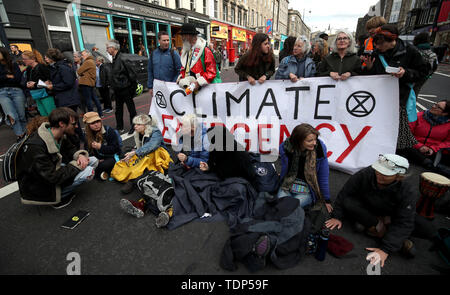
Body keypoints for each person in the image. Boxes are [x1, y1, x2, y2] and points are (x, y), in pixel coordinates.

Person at [326, 154, 436, 267]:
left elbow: (404, 220)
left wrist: (385, 249)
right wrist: (337, 216)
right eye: (378, 171)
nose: (379, 175)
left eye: (386, 174)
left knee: (427, 230)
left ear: (399, 176)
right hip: (366, 207)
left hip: (391, 215)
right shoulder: (367, 172)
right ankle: (382, 230)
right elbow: (346, 192)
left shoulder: (407, 190)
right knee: (348, 202)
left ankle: (374, 229)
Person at [361, 24, 428, 151]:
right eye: (375, 44)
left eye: (380, 44)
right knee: (378, 126)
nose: (377, 47)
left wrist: (405, 73)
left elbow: (423, 72)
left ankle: (398, 154)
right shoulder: (376, 53)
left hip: (399, 98)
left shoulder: (410, 51)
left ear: (392, 40)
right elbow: (371, 76)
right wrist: (369, 67)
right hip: (379, 97)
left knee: (399, 130)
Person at [16, 107, 98, 209]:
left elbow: (70, 149)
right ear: (61, 124)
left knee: (93, 160)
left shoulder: (57, 133)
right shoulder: (37, 146)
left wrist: (80, 155)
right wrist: (77, 166)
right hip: (39, 185)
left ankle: (65, 188)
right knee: (88, 171)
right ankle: (58, 199)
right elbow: (52, 177)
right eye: (73, 124)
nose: (77, 126)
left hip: (50, 171)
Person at [277, 123, 332, 211]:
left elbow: (323, 175)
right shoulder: (285, 147)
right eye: (310, 140)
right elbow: (285, 167)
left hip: (308, 187)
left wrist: (326, 199)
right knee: (280, 206)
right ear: (299, 141)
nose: (314, 143)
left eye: (315, 139)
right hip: (288, 184)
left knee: (290, 208)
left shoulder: (319, 149)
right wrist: (283, 176)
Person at [112, 114, 169, 194]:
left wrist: (135, 152)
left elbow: (152, 145)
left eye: (138, 124)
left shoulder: (155, 131)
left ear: (146, 125)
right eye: (135, 124)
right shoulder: (138, 133)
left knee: (147, 157)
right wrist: (134, 152)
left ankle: (132, 180)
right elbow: (141, 148)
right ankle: (130, 175)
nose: (135, 126)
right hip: (145, 153)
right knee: (127, 154)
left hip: (159, 156)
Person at [44, 48, 84, 148]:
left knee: (72, 122)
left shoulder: (62, 67)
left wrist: (53, 86)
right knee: (71, 122)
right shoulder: (56, 67)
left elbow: (69, 82)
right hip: (64, 99)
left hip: (68, 99)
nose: (45, 58)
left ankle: (79, 142)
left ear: (53, 58)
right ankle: (78, 140)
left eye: (47, 57)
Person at [407, 100, 450, 177]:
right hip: (415, 147)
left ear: (445, 113)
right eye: (435, 104)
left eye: (438, 107)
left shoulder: (448, 124)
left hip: (433, 151)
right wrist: (419, 146)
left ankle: (429, 163)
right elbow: (407, 133)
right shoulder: (419, 116)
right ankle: (429, 164)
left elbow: (448, 142)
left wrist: (433, 148)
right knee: (403, 145)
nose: (433, 106)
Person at [106, 39, 138, 135]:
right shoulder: (115, 58)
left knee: (131, 109)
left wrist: (131, 89)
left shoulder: (123, 58)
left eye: (108, 48)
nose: (107, 50)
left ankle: (134, 126)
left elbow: (132, 74)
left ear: (113, 48)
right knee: (118, 110)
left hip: (126, 89)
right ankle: (119, 126)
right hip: (118, 89)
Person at [177, 23, 218, 93]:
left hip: (204, 90)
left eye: (183, 36)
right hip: (190, 90)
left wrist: (198, 83)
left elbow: (212, 72)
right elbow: (185, 68)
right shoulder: (186, 51)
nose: (182, 38)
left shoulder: (205, 50)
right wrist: (181, 78)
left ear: (188, 36)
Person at [83, 111, 122, 180]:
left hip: (112, 156)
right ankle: (100, 173)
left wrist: (101, 147)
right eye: (93, 123)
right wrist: (97, 159)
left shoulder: (108, 131)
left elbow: (116, 149)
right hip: (98, 159)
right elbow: (87, 151)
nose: (96, 125)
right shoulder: (87, 135)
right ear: (88, 125)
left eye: (98, 121)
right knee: (84, 163)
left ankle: (97, 174)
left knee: (105, 165)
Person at [0, 47, 27, 141]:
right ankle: (20, 135)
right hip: (2, 92)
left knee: (21, 114)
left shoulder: (13, 64)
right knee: (11, 115)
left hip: (16, 90)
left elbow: (18, 78)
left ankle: (25, 134)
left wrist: (4, 77)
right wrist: (8, 76)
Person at [147, 31, 182, 99]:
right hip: (157, 89)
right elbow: (150, 70)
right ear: (159, 41)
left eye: (168, 40)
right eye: (164, 40)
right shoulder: (153, 54)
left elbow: (180, 70)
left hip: (170, 89)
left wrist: (172, 84)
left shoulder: (174, 54)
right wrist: (150, 87)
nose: (166, 42)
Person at [22, 50, 55, 116]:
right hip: (36, 94)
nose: (23, 61)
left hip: (45, 94)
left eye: (25, 59)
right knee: (43, 115)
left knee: (51, 115)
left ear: (33, 59)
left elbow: (49, 81)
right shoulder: (29, 69)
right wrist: (28, 84)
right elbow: (27, 80)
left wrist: (34, 83)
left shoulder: (42, 67)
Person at [78, 50, 103, 117]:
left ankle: (91, 115)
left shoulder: (87, 62)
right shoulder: (91, 61)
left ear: (87, 55)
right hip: (90, 82)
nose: (81, 56)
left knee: (88, 99)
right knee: (94, 98)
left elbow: (79, 71)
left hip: (86, 83)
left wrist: (83, 73)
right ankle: (100, 113)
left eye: (83, 55)